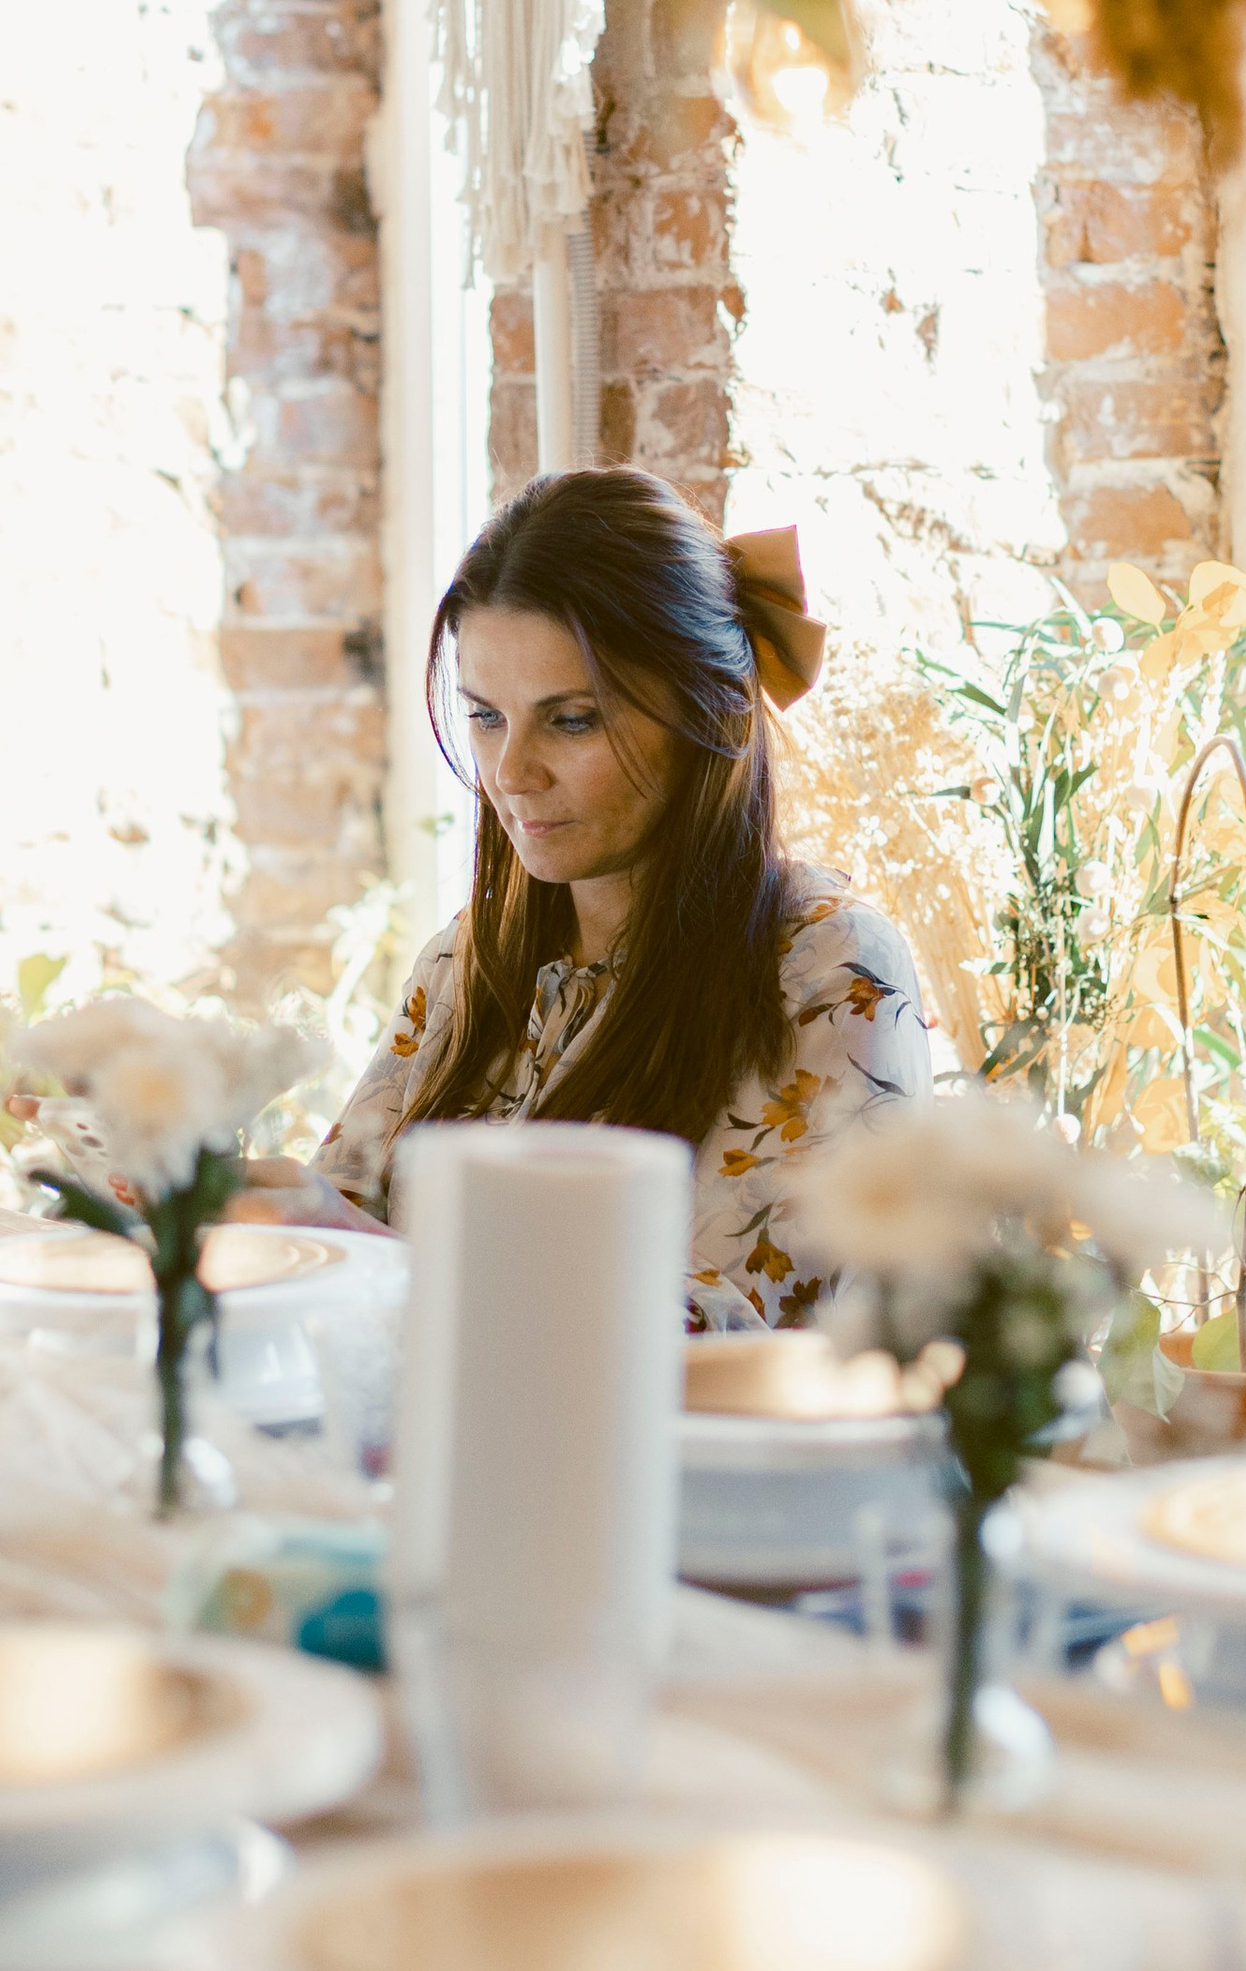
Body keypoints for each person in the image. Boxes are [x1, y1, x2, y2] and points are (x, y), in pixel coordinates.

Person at [252, 466, 931, 1326]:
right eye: (486, 716)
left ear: (711, 714)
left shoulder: (830, 971)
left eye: (571, 719)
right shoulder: (468, 960)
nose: (510, 773)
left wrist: (382, 1260)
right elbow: (341, 1230)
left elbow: (744, 1339)